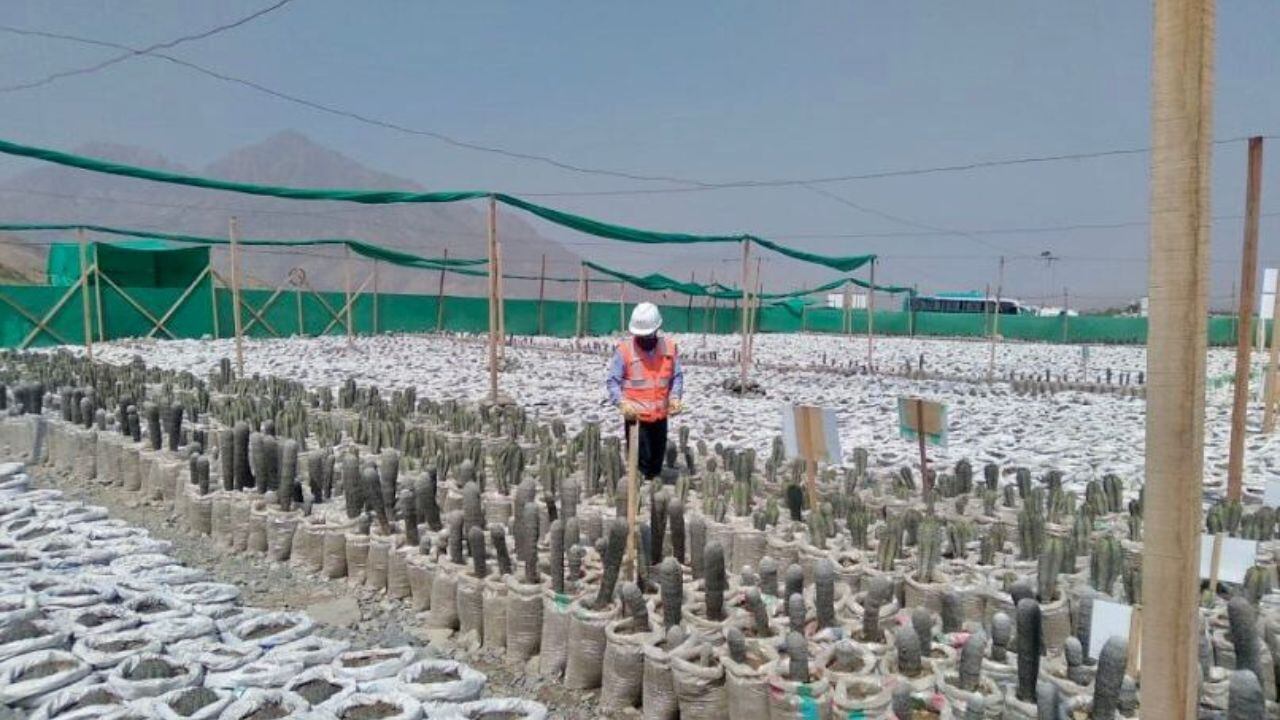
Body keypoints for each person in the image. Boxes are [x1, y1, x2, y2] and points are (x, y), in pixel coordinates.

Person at [606, 302, 684, 482]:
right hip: (636, 420)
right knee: (640, 464)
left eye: (648, 335)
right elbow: (613, 382)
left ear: (656, 330)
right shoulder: (624, 351)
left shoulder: (669, 348)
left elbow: (676, 376)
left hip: (660, 417)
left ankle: (653, 490)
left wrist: (674, 397)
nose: (645, 339)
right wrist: (621, 403)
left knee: (656, 462)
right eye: (640, 336)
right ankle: (638, 495)